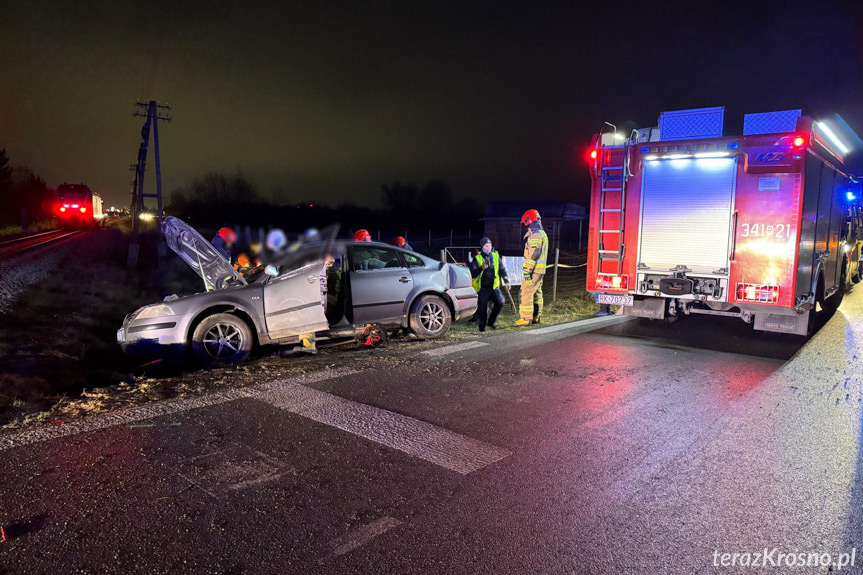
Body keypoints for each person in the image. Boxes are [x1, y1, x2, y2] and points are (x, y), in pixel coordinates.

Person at [514, 209, 548, 326]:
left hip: (533, 270)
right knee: (537, 293)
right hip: (540, 270)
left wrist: (527, 271)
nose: (526, 226)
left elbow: (535, 253)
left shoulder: (536, 235)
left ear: (529, 220)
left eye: (526, 223)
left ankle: (525, 318)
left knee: (526, 293)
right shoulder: (542, 233)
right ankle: (536, 316)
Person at [468, 237, 509, 332]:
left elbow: (502, 269)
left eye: (490, 245)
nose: (488, 247)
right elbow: (472, 274)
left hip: (494, 287)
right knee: (482, 310)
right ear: (482, 247)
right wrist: (481, 268)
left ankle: (491, 322)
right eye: (486, 245)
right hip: (482, 288)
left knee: (500, 302)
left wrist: (506, 281)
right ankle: (482, 328)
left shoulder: (495, 256)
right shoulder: (477, 258)